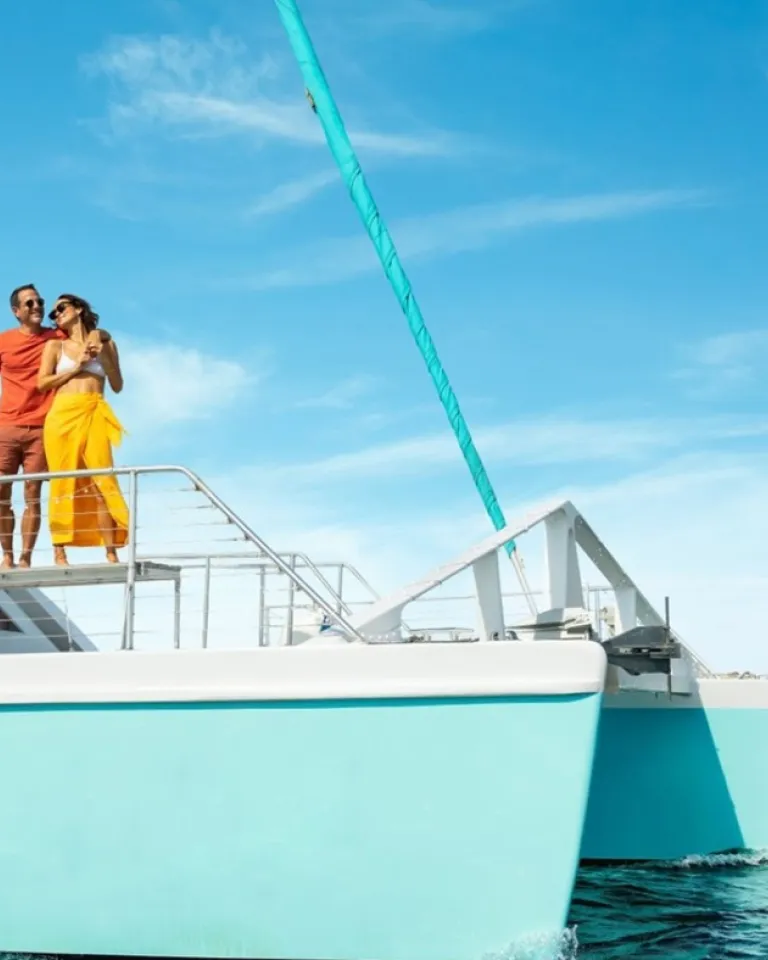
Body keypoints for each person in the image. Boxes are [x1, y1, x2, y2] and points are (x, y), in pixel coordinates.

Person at [0, 284, 110, 568]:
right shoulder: (4, 342)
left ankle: (25, 558)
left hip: (43, 426)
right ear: (16, 312)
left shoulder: (56, 337)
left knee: (32, 494)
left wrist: (99, 335)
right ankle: (7, 556)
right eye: (30, 304)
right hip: (6, 426)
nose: (37, 307)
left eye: (40, 302)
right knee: (2, 495)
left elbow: (92, 332)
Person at [37, 293, 127, 567]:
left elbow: (117, 384)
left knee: (102, 476)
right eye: (52, 314)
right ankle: (59, 550)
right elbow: (43, 384)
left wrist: (102, 347)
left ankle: (110, 549)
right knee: (63, 480)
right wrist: (78, 366)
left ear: (78, 308)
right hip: (62, 414)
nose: (56, 315)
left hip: (94, 410)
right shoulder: (55, 346)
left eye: (60, 309)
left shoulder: (105, 342)